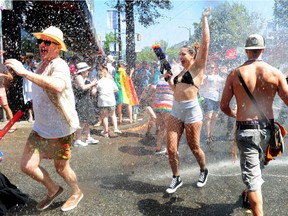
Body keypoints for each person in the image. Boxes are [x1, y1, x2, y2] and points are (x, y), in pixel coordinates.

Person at [5, 26, 84, 212]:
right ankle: (53, 189)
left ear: (57, 47)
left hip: (60, 129)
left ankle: (77, 192)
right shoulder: (41, 65)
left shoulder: (59, 64)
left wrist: (24, 72)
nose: (42, 44)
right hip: (41, 128)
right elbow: (43, 90)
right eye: (40, 41)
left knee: (61, 168)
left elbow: (57, 86)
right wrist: (34, 102)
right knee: (27, 165)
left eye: (47, 42)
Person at [220, 34, 288, 216]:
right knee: (255, 170)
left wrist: (235, 113)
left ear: (246, 50)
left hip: (246, 130)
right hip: (268, 130)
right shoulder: (276, 73)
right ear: (263, 50)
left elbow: (223, 106)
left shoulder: (235, 74)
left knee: (253, 181)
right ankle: (246, 195)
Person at [163, 8, 211, 194]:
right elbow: (176, 91)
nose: (180, 57)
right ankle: (176, 177)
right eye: (179, 54)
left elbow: (205, 43)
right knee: (171, 148)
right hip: (176, 111)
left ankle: (203, 170)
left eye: (184, 54)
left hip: (192, 112)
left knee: (194, 147)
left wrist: (204, 18)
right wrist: (169, 80)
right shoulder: (179, 73)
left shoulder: (198, 68)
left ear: (193, 56)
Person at [73, 62, 99, 146]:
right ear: (83, 71)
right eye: (87, 70)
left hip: (87, 101)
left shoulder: (87, 79)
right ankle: (77, 139)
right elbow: (82, 87)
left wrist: (94, 87)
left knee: (87, 120)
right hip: (80, 101)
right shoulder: (78, 77)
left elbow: (92, 93)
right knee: (81, 121)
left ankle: (88, 137)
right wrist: (92, 84)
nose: (88, 71)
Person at [200, 63, 224, 146]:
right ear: (207, 69)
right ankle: (207, 135)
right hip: (207, 98)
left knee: (214, 117)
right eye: (210, 67)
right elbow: (200, 84)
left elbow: (224, 84)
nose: (212, 69)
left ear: (215, 68)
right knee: (208, 117)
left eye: (213, 67)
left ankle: (211, 134)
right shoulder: (206, 76)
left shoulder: (219, 77)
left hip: (217, 98)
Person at [94, 67, 121, 138]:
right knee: (113, 115)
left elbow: (94, 92)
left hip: (103, 101)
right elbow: (116, 89)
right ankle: (116, 129)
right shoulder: (111, 81)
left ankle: (106, 132)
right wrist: (110, 92)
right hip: (111, 100)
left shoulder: (98, 82)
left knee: (105, 116)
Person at [153, 76, 174, 154]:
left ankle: (158, 148)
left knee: (162, 128)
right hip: (167, 106)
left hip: (158, 106)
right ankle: (169, 149)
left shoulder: (159, 81)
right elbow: (175, 92)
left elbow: (156, 93)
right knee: (169, 128)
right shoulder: (171, 81)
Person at [0, 63, 16, 132]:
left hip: (1, 88)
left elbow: (11, 77)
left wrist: (2, 75)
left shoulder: (1, 66)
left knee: (6, 106)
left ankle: (12, 125)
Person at [22, 53, 36, 122]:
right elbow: (24, 73)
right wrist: (29, 67)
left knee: (35, 102)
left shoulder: (35, 66)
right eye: (29, 58)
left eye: (31, 57)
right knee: (29, 102)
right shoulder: (23, 66)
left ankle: (36, 116)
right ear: (26, 59)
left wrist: (34, 66)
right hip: (28, 87)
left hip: (35, 87)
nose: (30, 59)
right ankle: (30, 116)